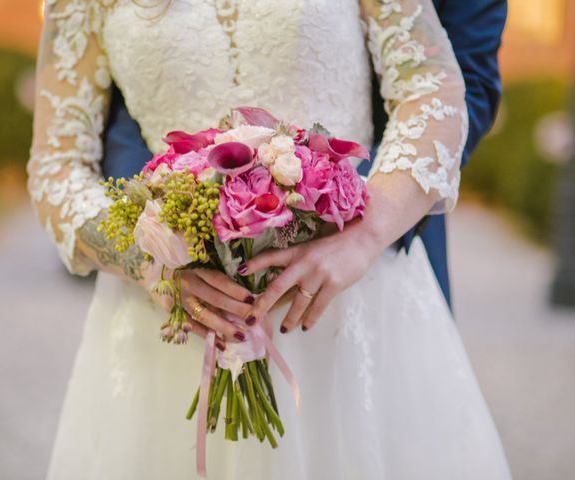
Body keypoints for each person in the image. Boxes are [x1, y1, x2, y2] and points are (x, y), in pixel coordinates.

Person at [28, 1, 512, 478]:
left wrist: (364, 235)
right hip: (179, 311)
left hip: (346, 292)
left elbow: (434, 92)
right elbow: (57, 167)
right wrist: (150, 262)